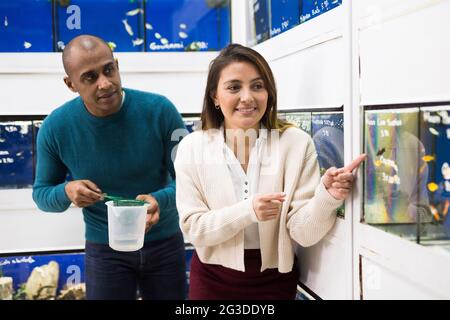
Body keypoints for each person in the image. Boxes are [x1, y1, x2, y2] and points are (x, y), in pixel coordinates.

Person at [174, 43, 366, 300]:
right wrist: (249, 210)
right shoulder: (192, 147)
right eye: (234, 87)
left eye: (257, 86)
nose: (247, 97)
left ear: (269, 92)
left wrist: (327, 197)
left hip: (274, 281)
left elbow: (303, 233)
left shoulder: (296, 144)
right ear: (215, 97)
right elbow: (193, 229)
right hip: (211, 281)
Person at [32, 35, 186, 300]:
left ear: (117, 65)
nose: (105, 83)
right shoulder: (55, 128)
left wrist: (160, 200)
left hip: (165, 244)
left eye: (108, 70)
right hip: (105, 252)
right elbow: (42, 194)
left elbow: (189, 181)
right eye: (90, 77)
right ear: (71, 84)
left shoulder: (161, 110)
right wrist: (67, 191)